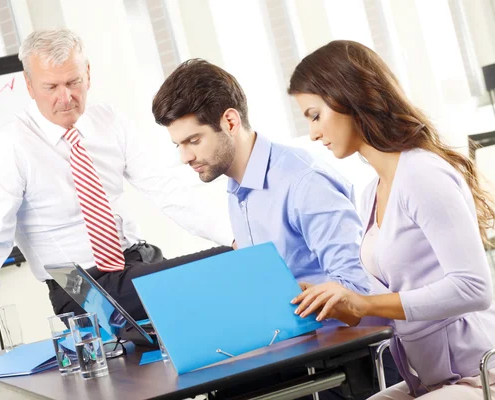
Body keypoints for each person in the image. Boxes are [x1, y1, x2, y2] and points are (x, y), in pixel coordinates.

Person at [0, 29, 232, 399]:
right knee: (223, 265)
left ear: (89, 73)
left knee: (219, 325)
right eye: (51, 86)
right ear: (29, 85)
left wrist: (233, 234)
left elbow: (170, 192)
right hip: (78, 284)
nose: (65, 97)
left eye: (73, 82)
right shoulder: (11, 149)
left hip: (136, 263)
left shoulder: (110, 122)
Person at [152, 59, 380, 399]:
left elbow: (360, 290)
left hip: (337, 364)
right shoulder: (237, 184)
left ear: (230, 121)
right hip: (289, 350)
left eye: (193, 141)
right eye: (179, 145)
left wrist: (281, 293)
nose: (186, 156)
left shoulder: (302, 182)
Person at [290, 40, 495, 399]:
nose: (313, 133)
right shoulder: (371, 192)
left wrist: (363, 303)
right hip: (427, 378)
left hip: (479, 373)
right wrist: (341, 307)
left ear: (347, 97)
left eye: (314, 115)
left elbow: (474, 288)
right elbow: (390, 305)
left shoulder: (422, 175)